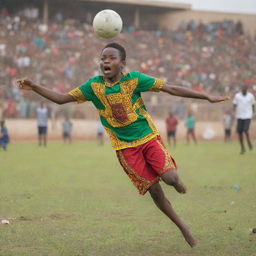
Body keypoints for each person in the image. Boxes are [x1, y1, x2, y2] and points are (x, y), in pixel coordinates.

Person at [17, 42, 229, 248]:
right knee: (154, 191)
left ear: (122, 63)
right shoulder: (93, 86)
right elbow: (62, 98)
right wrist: (34, 86)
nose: (105, 61)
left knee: (171, 178)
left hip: (147, 138)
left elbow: (170, 89)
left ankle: (177, 182)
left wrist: (206, 97)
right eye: (103, 58)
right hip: (125, 148)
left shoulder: (135, 80)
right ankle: (182, 226)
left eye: (111, 58)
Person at [233, 85, 255, 154]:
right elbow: (234, 104)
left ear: (247, 89)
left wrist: (254, 112)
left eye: (245, 89)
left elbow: (253, 104)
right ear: (241, 89)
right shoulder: (237, 96)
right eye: (243, 89)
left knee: (245, 130)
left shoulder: (250, 96)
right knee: (239, 132)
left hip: (248, 115)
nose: (244, 90)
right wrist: (234, 112)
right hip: (239, 116)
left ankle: (249, 143)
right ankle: (242, 148)